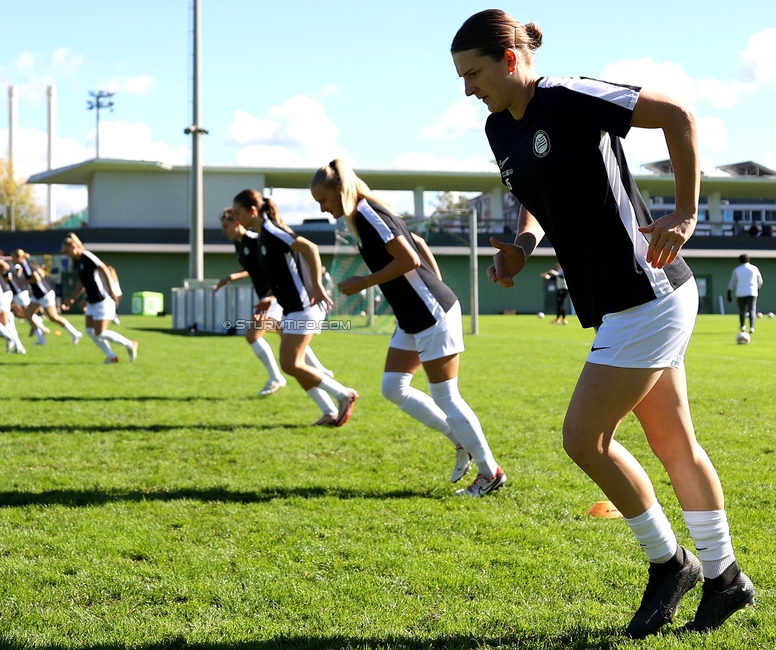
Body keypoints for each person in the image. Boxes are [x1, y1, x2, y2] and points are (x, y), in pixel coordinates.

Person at [452, 8, 754, 637]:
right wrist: (522, 244)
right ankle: (725, 579)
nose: (467, 88)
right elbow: (536, 198)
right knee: (674, 442)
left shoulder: (569, 96)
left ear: (510, 60)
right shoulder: (496, 128)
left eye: (473, 72)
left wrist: (687, 213)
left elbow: (678, 116)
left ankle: (671, 564)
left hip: (649, 289)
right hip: (619, 300)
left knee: (583, 437)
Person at [311, 159, 505, 495]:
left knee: (447, 397)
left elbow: (408, 258)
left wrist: (365, 282)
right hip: (414, 316)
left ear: (340, 192)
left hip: (431, 313)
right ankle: (460, 444)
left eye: (323, 201)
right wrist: (434, 281)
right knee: (392, 387)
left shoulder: (368, 211)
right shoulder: (362, 215)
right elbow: (415, 240)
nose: (323, 209)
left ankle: (491, 472)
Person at [231, 190, 358, 426]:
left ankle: (344, 395)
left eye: (239, 213)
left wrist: (317, 286)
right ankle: (329, 411)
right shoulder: (262, 237)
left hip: (304, 305)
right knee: (296, 365)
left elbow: (310, 247)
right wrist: (269, 297)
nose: (237, 219)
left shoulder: (272, 231)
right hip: (292, 306)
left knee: (291, 364)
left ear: (252, 211)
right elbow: (281, 275)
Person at [215, 208, 334, 397]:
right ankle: (320, 370)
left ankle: (277, 377)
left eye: (226, 226)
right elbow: (253, 270)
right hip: (269, 297)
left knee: (253, 335)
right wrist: (230, 277)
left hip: (275, 296)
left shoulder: (256, 241)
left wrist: (270, 295)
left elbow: (279, 265)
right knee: (287, 335)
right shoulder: (239, 244)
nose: (223, 230)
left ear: (238, 222)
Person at [61, 233, 137, 363]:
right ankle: (112, 357)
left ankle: (130, 344)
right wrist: (72, 298)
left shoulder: (87, 256)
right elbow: (81, 283)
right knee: (90, 331)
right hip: (92, 301)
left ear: (74, 246)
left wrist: (112, 289)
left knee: (100, 332)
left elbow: (104, 269)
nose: (66, 254)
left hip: (103, 299)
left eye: (67, 251)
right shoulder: (78, 261)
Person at [12, 249, 83, 344]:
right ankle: (41, 339)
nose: (12, 259)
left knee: (53, 317)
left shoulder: (27, 265)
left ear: (19, 257)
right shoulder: (25, 265)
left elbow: (36, 278)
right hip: (37, 295)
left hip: (44, 294)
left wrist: (23, 282)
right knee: (28, 315)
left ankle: (75, 333)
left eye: (13, 257)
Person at [727, 254, 763, 334]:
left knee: (742, 310)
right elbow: (760, 280)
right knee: (752, 310)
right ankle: (751, 327)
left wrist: (729, 291)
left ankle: (743, 326)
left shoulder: (737, 269)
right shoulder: (754, 268)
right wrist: (757, 288)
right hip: (752, 292)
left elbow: (733, 281)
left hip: (740, 292)